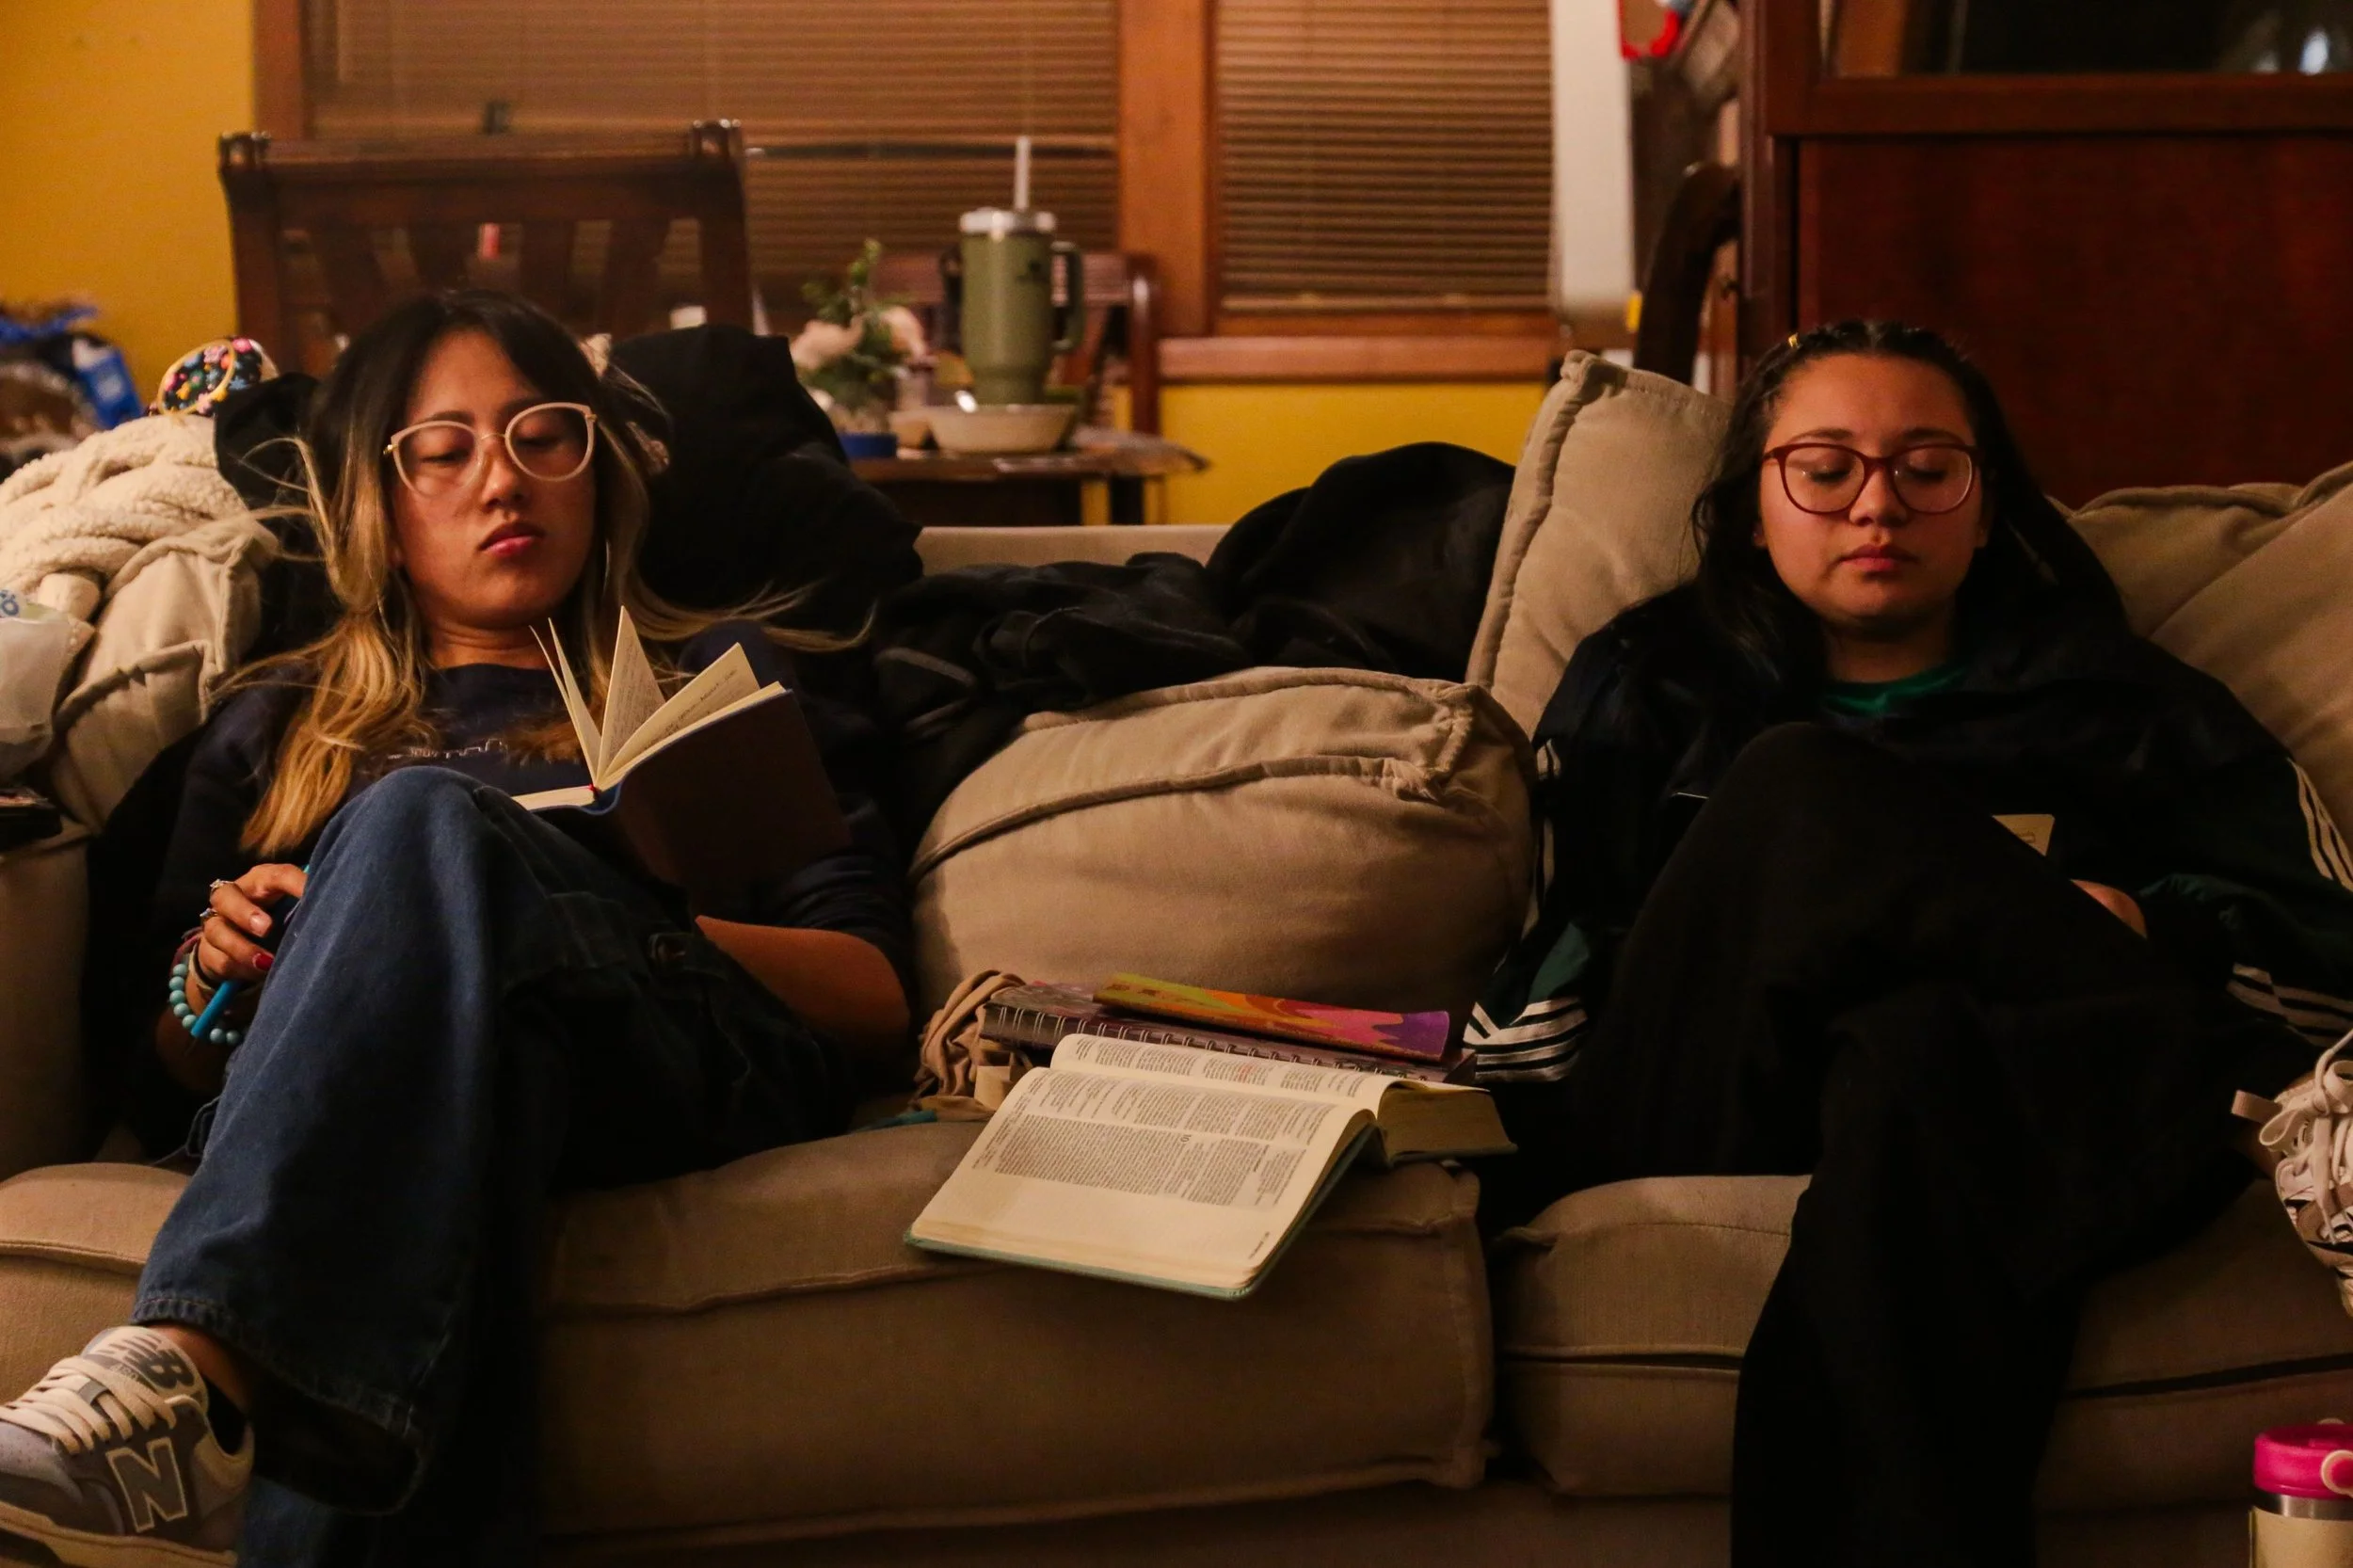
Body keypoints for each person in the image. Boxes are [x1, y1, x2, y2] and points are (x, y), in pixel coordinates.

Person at [0, 291, 913, 1566]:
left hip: (678, 1056)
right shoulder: (275, 729)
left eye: (547, 436)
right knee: (484, 1066)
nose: (506, 479)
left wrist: (562, 889)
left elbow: (871, 1000)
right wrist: (222, 972)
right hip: (439, 1091)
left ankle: (198, 1365)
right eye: (446, 449)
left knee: (428, 821)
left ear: (598, 469)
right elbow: (171, 1088)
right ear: (378, 498)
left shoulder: (721, 683)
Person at [1469, 320, 2353, 1566]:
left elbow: (2330, 943)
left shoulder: (2124, 705)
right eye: (1825, 469)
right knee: (1797, 792)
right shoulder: (1653, 683)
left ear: (1985, 507)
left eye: (1928, 468)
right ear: (1753, 505)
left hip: (1995, 1112)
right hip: (1702, 1091)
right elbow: (1542, 1002)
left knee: (1917, 1048)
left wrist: (2157, 920)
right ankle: (2264, 1099)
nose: (1876, 504)